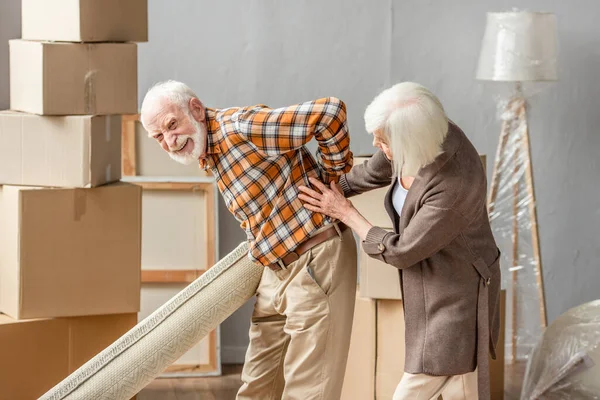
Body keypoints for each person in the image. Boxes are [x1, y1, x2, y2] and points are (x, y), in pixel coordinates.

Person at [140, 80, 357, 400]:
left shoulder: (240, 129)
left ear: (196, 110)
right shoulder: (210, 152)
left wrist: (333, 177)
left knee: (308, 392)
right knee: (256, 388)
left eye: (172, 125)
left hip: (314, 260)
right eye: (159, 137)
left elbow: (329, 112)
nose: (170, 142)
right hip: (276, 271)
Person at [299, 82, 501, 400]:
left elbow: (402, 250)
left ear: (411, 142)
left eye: (384, 141)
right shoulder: (424, 132)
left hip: (457, 297)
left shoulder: (453, 186)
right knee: (459, 388)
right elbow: (376, 169)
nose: (378, 146)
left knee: (421, 387)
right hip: (432, 287)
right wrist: (336, 189)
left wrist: (345, 212)